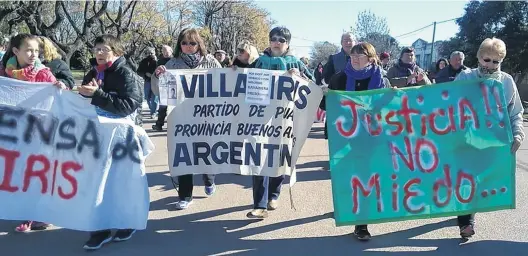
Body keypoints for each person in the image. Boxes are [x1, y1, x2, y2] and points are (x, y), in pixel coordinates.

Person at [454, 37, 524, 240]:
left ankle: (466, 214)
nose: (490, 65)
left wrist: (518, 134)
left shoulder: (507, 81)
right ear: (478, 57)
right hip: (465, 141)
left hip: (492, 143)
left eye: (496, 62)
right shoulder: (465, 77)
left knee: (479, 181)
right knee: (466, 180)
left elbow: (515, 111)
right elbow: (445, 102)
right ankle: (466, 222)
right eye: (487, 60)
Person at [79, 34, 143, 251]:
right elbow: (85, 98)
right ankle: (100, 229)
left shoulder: (126, 73)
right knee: (97, 182)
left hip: (122, 140)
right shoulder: (93, 72)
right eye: (96, 48)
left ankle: (127, 222)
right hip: (96, 137)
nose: (98, 53)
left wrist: (98, 94)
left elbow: (129, 105)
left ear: (117, 52)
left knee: (121, 183)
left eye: (104, 49)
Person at [246, 26, 313, 219]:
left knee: (279, 157)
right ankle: (259, 205)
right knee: (258, 159)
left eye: (281, 40)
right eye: (273, 38)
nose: (277, 42)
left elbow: (313, 84)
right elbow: (240, 81)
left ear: (288, 43)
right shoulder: (259, 62)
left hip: (286, 120)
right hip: (259, 119)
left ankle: (274, 194)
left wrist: (300, 77)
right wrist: (235, 70)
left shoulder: (296, 63)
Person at [152, 28, 221, 210]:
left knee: (206, 152)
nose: (188, 47)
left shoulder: (211, 62)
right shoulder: (172, 65)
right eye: (184, 43)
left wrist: (233, 72)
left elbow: (225, 84)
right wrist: (157, 76)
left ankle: (209, 180)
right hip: (181, 118)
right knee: (183, 155)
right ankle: (185, 195)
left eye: (192, 43)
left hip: (207, 117)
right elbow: (159, 92)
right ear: (179, 45)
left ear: (199, 45)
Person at [0, 33, 63, 232]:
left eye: (36, 50)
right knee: (14, 173)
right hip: (12, 133)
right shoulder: (4, 73)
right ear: (16, 51)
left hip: (37, 133)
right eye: (28, 50)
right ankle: (20, 210)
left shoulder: (43, 73)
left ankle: (37, 215)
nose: (33, 54)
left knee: (34, 174)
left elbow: (58, 97)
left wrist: (60, 87)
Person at [151, 45, 173, 130]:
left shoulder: (176, 61)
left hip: (175, 87)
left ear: (171, 51)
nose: (165, 53)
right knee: (162, 107)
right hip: (163, 86)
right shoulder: (159, 61)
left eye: (167, 51)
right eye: (164, 51)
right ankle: (159, 124)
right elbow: (156, 73)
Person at [137, 47, 159, 118]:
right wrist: (145, 74)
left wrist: (154, 75)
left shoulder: (158, 61)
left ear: (154, 53)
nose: (150, 54)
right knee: (147, 97)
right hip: (147, 81)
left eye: (152, 53)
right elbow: (139, 71)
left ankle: (154, 112)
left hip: (156, 81)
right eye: (149, 53)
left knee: (154, 97)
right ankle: (152, 109)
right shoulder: (144, 61)